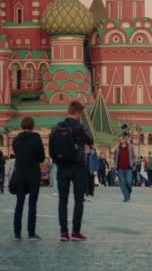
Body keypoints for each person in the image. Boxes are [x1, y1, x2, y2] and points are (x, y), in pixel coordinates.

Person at [49, 101, 94, 242]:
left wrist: (58, 161)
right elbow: (90, 140)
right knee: (78, 200)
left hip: (62, 167)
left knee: (62, 200)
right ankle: (75, 232)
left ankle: (63, 233)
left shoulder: (57, 127)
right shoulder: (78, 126)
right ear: (77, 113)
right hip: (78, 167)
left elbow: (51, 148)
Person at [12, 117, 45, 241]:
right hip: (33, 175)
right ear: (32, 126)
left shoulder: (16, 140)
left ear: (21, 126)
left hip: (20, 175)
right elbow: (41, 157)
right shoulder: (36, 139)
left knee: (19, 204)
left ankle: (17, 233)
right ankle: (31, 233)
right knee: (32, 204)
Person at [113, 135, 137, 202]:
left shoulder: (130, 147)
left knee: (129, 182)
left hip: (129, 168)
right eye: (119, 140)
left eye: (121, 139)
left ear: (125, 139)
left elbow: (134, 156)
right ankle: (126, 197)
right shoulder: (117, 148)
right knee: (122, 183)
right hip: (120, 168)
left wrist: (133, 163)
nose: (120, 141)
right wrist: (115, 165)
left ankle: (129, 191)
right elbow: (114, 157)